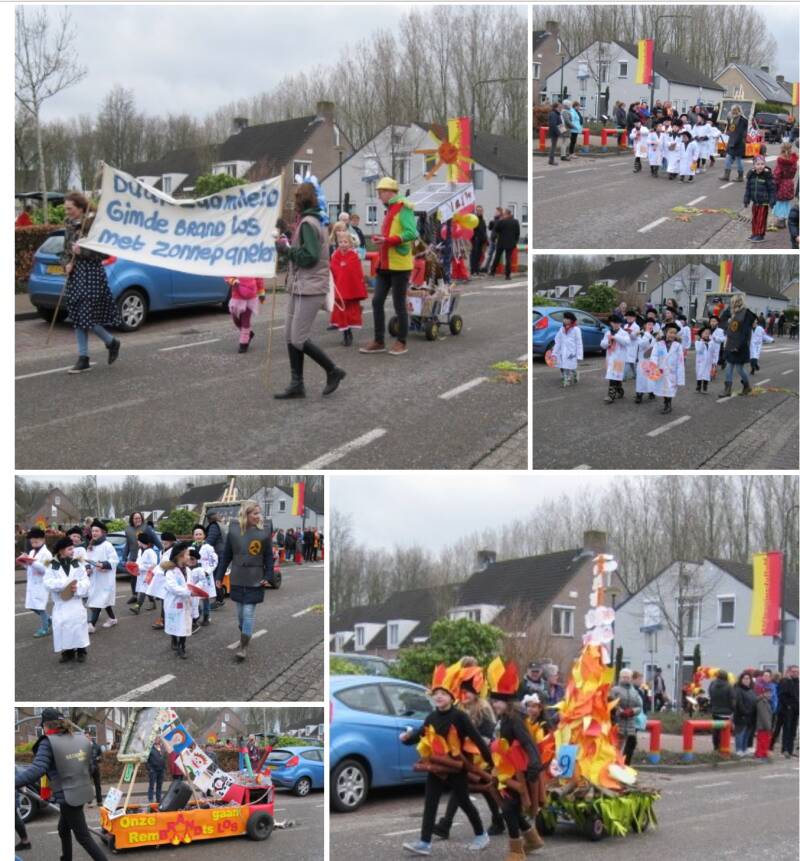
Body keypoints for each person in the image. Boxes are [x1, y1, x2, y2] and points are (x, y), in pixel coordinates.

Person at [400, 664, 491, 855]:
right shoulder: (432, 717)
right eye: (436, 694)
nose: (439, 697)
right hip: (437, 767)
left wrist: (491, 763)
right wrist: (407, 739)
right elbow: (421, 734)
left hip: (457, 767)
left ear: (452, 696)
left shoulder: (460, 716)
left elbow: (477, 740)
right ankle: (424, 843)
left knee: (464, 801)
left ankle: (481, 834)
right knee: (430, 802)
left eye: (443, 693)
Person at [274, 180, 346, 397]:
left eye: (296, 198)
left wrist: (286, 250)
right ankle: (297, 384)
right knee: (289, 334)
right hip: (301, 285)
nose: (294, 202)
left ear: (301, 200)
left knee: (298, 337)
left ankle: (333, 370)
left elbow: (310, 256)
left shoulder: (307, 223)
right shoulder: (316, 219)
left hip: (310, 286)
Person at [15, 709, 108, 861]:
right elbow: (91, 767)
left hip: (67, 796)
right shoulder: (78, 738)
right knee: (63, 829)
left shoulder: (48, 742)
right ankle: (66, 858)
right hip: (80, 792)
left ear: (45, 725)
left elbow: (37, 769)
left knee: (83, 837)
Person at [432, 660, 505, 839]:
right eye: (462, 691)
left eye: (468, 692)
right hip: (465, 757)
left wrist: (472, 746)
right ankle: (496, 820)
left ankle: (498, 820)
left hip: (482, 756)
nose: (464, 695)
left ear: (476, 692)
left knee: (482, 789)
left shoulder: (484, 709)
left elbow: (487, 735)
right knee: (467, 788)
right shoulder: (459, 708)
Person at [488, 659, 544, 858]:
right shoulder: (504, 718)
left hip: (519, 772)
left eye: (497, 701)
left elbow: (528, 742)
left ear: (507, 701)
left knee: (509, 809)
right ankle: (533, 840)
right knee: (510, 809)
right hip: (506, 771)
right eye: (493, 700)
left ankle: (516, 852)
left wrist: (535, 764)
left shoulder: (515, 719)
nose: (493, 704)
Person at [61, 192, 121, 375]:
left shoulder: (94, 225)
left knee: (85, 315)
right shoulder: (69, 225)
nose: (67, 212)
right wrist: (66, 264)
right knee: (78, 316)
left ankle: (97, 350)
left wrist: (83, 253)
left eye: (70, 208)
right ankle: (94, 352)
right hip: (76, 276)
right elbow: (65, 251)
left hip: (91, 275)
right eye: (66, 209)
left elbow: (104, 253)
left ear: (80, 208)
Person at [359, 176, 418, 357]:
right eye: (378, 192)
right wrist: (382, 239)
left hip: (399, 265)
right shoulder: (390, 209)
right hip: (384, 264)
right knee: (377, 301)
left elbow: (412, 233)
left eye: (381, 192)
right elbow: (392, 233)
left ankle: (401, 341)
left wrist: (389, 240)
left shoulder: (403, 207)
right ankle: (379, 341)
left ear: (391, 192)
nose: (379, 196)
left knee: (399, 304)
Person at [218, 502, 274, 661]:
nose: (258, 516)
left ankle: (243, 647)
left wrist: (268, 576)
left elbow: (268, 557)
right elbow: (226, 556)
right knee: (241, 615)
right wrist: (219, 576)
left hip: (255, 578)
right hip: (238, 577)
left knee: (248, 613)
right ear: (246, 514)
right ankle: (244, 631)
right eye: (255, 513)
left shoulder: (264, 532)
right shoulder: (234, 531)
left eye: (259, 513)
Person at [45, 536, 91, 664]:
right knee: (63, 628)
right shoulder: (51, 564)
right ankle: (68, 652)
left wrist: (78, 587)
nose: (73, 551)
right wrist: (65, 584)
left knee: (78, 627)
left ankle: (81, 651)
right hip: (61, 604)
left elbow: (86, 581)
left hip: (75, 602)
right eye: (69, 549)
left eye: (73, 548)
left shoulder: (77, 563)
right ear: (61, 550)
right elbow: (47, 582)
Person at [330, 229, 368, 346]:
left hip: (350, 289)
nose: (343, 244)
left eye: (345, 242)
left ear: (350, 243)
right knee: (341, 311)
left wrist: (344, 267)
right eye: (341, 242)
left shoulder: (353, 255)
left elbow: (355, 272)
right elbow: (333, 268)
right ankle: (345, 334)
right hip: (340, 289)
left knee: (350, 311)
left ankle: (349, 332)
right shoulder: (336, 255)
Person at [718, 294, 755, 398]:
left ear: (737, 302)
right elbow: (723, 321)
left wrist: (738, 346)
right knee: (729, 366)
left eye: (732, 302)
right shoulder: (734, 313)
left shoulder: (746, 314)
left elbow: (745, 333)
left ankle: (747, 386)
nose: (731, 304)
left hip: (740, 346)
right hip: (731, 344)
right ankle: (727, 390)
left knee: (739, 368)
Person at [86, 519, 118, 633]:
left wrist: (103, 564)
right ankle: (112, 619)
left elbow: (114, 560)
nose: (94, 533)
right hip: (95, 578)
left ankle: (91, 625)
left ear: (102, 532)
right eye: (93, 531)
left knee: (99, 601)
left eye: (97, 531)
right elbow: (87, 559)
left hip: (105, 579)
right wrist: (88, 568)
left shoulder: (107, 545)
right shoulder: (91, 546)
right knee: (104, 601)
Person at [162, 541, 193, 659]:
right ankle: (174, 639)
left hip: (185, 603)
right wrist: (189, 592)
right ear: (180, 556)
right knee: (175, 623)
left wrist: (196, 589)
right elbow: (173, 587)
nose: (189, 557)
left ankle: (182, 646)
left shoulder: (188, 571)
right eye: (187, 554)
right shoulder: (170, 572)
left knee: (184, 624)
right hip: (174, 603)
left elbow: (191, 585)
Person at [22, 526, 53, 637]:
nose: (34, 543)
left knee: (40, 607)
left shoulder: (47, 554)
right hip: (32, 584)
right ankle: (49, 619)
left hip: (41, 584)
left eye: (36, 541)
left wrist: (32, 562)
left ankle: (45, 628)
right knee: (32, 606)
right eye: (32, 541)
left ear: (43, 540)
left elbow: (46, 569)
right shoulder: (31, 552)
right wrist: (24, 562)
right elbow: (30, 568)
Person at [124, 512, 161, 603]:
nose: (138, 520)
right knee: (133, 577)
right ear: (132, 519)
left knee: (147, 578)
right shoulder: (128, 530)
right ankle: (134, 595)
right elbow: (128, 544)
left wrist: (163, 550)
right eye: (136, 518)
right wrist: (124, 556)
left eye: (139, 518)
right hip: (134, 556)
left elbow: (155, 540)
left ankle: (152, 596)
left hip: (145, 556)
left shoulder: (147, 528)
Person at [225, 276, 265, 353]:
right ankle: (248, 333)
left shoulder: (254, 269)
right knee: (235, 319)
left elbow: (259, 279)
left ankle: (243, 344)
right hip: (237, 297)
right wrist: (233, 281)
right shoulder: (236, 268)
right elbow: (227, 275)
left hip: (250, 297)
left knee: (245, 321)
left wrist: (261, 293)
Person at [610, 669, 643, 765]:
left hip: (630, 724)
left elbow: (639, 707)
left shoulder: (634, 692)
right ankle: (614, 765)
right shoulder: (615, 690)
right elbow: (610, 703)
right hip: (617, 722)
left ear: (631, 678)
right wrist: (619, 711)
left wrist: (632, 711)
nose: (626, 679)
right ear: (620, 678)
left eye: (628, 677)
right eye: (624, 677)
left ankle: (626, 765)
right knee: (616, 746)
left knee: (631, 744)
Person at [744, 156, 776, 242]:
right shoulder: (751, 175)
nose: (760, 166)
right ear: (754, 165)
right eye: (758, 164)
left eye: (762, 164)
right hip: (755, 202)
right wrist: (746, 199)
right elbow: (748, 189)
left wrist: (772, 200)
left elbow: (772, 189)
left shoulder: (767, 176)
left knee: (761, 219)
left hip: (764, 202)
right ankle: (754, 233)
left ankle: (760, 235)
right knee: (754, 218)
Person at [191, 525, 217, 626]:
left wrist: (207, 571)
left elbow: (214, 561)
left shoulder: (209, 548)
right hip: (194, 575)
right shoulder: (190, 548)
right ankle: (196, 616)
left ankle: (206, 616)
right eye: (196, 534)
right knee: (194, 596)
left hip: (205, 574)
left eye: (200, 534)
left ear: (204, 536)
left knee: (205, 597)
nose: (198, 536)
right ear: (193, 536)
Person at [601, 313, 631, 403]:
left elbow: (627, 342)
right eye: (614, 323)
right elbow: (602, 344)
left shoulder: (624, 333)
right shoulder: (608, 332)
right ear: (611, 323)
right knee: (613, 376)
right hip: (610, 358)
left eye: (617, 323)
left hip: (619, 359)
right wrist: (608, 342)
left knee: (614, 376)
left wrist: (616, 337)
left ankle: (611, 396)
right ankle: (620, 391)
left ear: (620, 323)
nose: (616, 324)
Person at [552, 310, 583, 387]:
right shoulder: (561, 329)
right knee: (564, 366)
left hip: (572, 352)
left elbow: (579, 343)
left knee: (570, 366)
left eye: (567, 318)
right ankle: (566, 381)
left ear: (571, 320)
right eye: (564, 318)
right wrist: (554, 352)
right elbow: (558, 341)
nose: (565, 320)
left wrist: (579, 355)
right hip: (563, 351)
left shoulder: (576, 329)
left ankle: (575, 373)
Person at [130, 532, 158, 614]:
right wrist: (134, 566)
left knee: (143, 590)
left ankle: (137, 607)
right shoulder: (140, 550)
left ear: (142, 541)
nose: (137, 542)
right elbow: (138, 561)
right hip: (140, 574)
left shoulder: (150, 551)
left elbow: (154, 564)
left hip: (148, 575)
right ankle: (153, 603)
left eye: (138, 540)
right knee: (147, 590)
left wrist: (143, 568)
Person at [772, 143, 798, 229]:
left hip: (781, 184)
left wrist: (774, 183)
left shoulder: (781, 162)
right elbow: (794, 172)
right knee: (786, 203)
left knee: (780, 203)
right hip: (789, 183)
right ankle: (784, 220)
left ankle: (780, 221)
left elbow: (777, 175)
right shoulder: (793, 161)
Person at [489, 209, 520, 281]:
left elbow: (495, 229)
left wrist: (499, 221)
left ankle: (492, 271)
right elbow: (517, 233)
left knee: (497, 257)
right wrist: (515, 242)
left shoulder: (502, 221)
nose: (503, 215)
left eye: (504, 214)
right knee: (508, 259)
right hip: (511, 243)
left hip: (501, 242)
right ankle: (507, 275)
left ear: (506, 214)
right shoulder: (516, 222)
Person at [709, 668, 735, 751]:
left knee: (716, 730)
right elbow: (732, 700)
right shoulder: (729, 686)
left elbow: (710, 695)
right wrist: (733, 710)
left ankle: (716, 747)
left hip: (715, 711)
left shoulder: (712, 684)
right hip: (726, 712)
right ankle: (723, 748)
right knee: (725, 731)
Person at [733, 670, 757, 755]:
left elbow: (754, 702)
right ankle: (739, 750)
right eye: (745, 678)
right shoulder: (738, 690)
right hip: (741, 716)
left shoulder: (751, 690)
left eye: (748, 679)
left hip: (751, 717)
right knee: (740, 734)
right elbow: (739, 704)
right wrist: (746, 712)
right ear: (741, 679)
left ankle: (744, 748)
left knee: (747, 734)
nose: (747, 680)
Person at [776, 665, 799, 758]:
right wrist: (788, 705)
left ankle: (790, 750)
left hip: (796, 709)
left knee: (793, 730)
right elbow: (781, 695)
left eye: (797, 671)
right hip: (787, 710)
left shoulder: (797, 682)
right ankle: (784, 750)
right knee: (787, 729)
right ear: (789, 672)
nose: (796, 673)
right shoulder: (785, 682)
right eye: (793, 671)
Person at [722, 105, 748, 182]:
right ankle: (726, 175)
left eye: (734, 110)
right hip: (732, 142)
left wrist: (734, 142)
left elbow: (740, 133)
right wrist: (728, 121)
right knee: (728, 158)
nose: (732, 111)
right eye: (732, 110)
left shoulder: (742, 120)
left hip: (738, 143)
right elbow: (731, 130)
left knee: (738, 159)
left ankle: (740, 176)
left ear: (738, 110)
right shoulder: (733, 119)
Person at [634, 318, 657, 404]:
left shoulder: (654, 335)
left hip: (651, 359)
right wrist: (647, 336)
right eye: (649, 324)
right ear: (645, 325)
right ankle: (639, 394)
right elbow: (641, 344)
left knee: (651, 377)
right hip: (643, 359)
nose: (650, 326)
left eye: (652, 325)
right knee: (641, 378)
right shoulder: (641, 334)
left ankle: (651, 392)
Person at [754, 680, 774, 760]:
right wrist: (769, 727)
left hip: (764, 726)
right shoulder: (762, 702)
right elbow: (764, 716)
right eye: (767, 693)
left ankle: (762, 754)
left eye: (770, 693)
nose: (769, 695)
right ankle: (760, 755)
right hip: (763, 726)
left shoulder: (766, 701)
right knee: (762, 741)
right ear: (763, 694)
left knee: (764, 741)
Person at [547, 101, 567, 166]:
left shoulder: (556, 113)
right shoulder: (553, 114)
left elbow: (560, 123)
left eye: (561, 107)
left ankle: (551, 160)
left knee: (553, 146)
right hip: (554, 133)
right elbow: (553, 125)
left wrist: (563, 131)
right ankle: (551, 160)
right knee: (553, 146)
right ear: (555, 107)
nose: (561, 108)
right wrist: (559, 133)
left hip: (555, 132)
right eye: (559, 107)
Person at [694, 325, 713, 393]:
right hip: (700, 361)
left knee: (707, 374)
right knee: (699, 374)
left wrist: (714, 361)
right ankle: (698, 386)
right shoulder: (698, 342)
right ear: (701, 334)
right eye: (705, 333)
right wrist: (702, 342)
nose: (707, 335)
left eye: (708, 333)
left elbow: (713, 352)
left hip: (708, 361)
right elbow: (699, 350)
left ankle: (705, 387)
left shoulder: (711, 342)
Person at [146, 740, 166, 804]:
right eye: (156, 738)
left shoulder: (162, 747)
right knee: (151, 785)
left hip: (161, 770)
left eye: (158, 738)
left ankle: (158, 799)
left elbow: (164, 758)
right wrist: (150, 769)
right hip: (153, 770)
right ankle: (150, 799)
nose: (157, 739)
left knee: (159, 786)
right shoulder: (150, 748)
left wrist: (164, 768)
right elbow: (146, 760)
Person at [470, 205, 488, 274]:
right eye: (478, 210)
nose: (479, 212)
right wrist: (474, 237)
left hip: (482, 240)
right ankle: (473, 270)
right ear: (476, 211)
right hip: (475, 239)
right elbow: (472, 229)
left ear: (482, 211)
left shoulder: (483, 220)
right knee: (474, 254)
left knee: (479, 255)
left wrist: (485, 239)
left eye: (480, 210)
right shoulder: (474, 219)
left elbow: (484, 230)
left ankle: (477, 269)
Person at [87, 732, 103, 807]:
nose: (86, 738)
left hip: (95, 767)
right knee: (88, 785)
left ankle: (99, 801)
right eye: (85, 737)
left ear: (90, 737)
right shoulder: (83, 747)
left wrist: (99, 758)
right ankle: (90, 802)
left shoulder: (96, 746)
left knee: (98, 784)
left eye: (87, 736)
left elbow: (100, 755)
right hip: (87, 768)